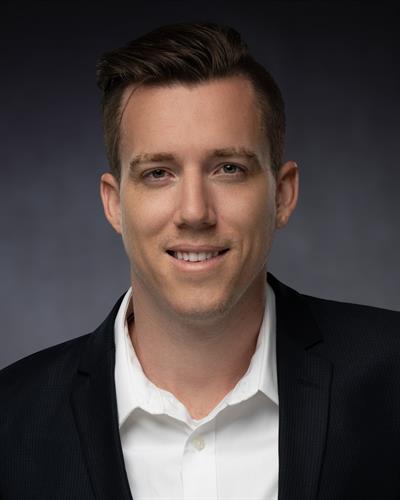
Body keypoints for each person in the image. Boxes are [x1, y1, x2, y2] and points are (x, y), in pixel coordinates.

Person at [0, 22, 399, 500]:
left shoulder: (390, 377)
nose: (194, 212)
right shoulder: (11, 418)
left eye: (228, 169)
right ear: (114, 203)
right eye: (158, 173)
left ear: (283, 194)